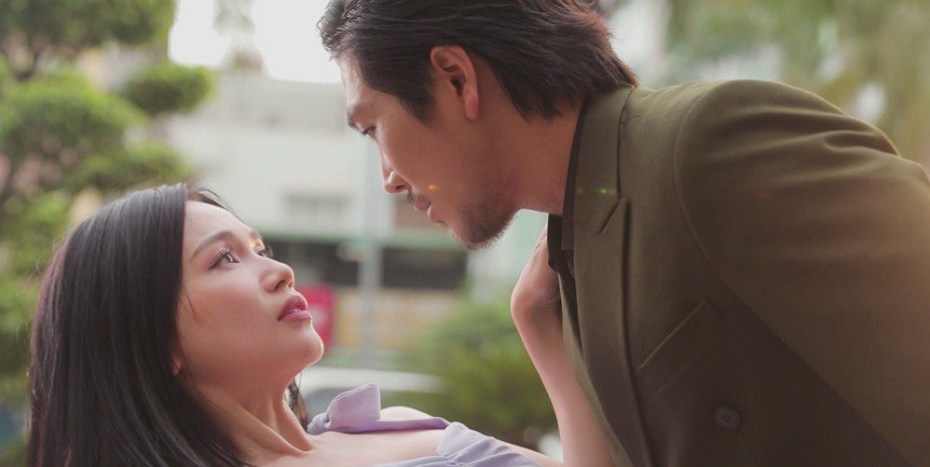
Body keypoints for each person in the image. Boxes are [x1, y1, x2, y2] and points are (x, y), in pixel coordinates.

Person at [317, 0, 930, 465]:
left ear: (456, 77)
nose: (389, 178)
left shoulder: (710, 146)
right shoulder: (567, 262)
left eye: (373, 127)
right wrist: (542, 330)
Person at [27, 183, 612, 466]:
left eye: (259, 248)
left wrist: (537, 324)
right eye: (224, 259)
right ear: (155, 341)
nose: (280, 271)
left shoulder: (389, 424)